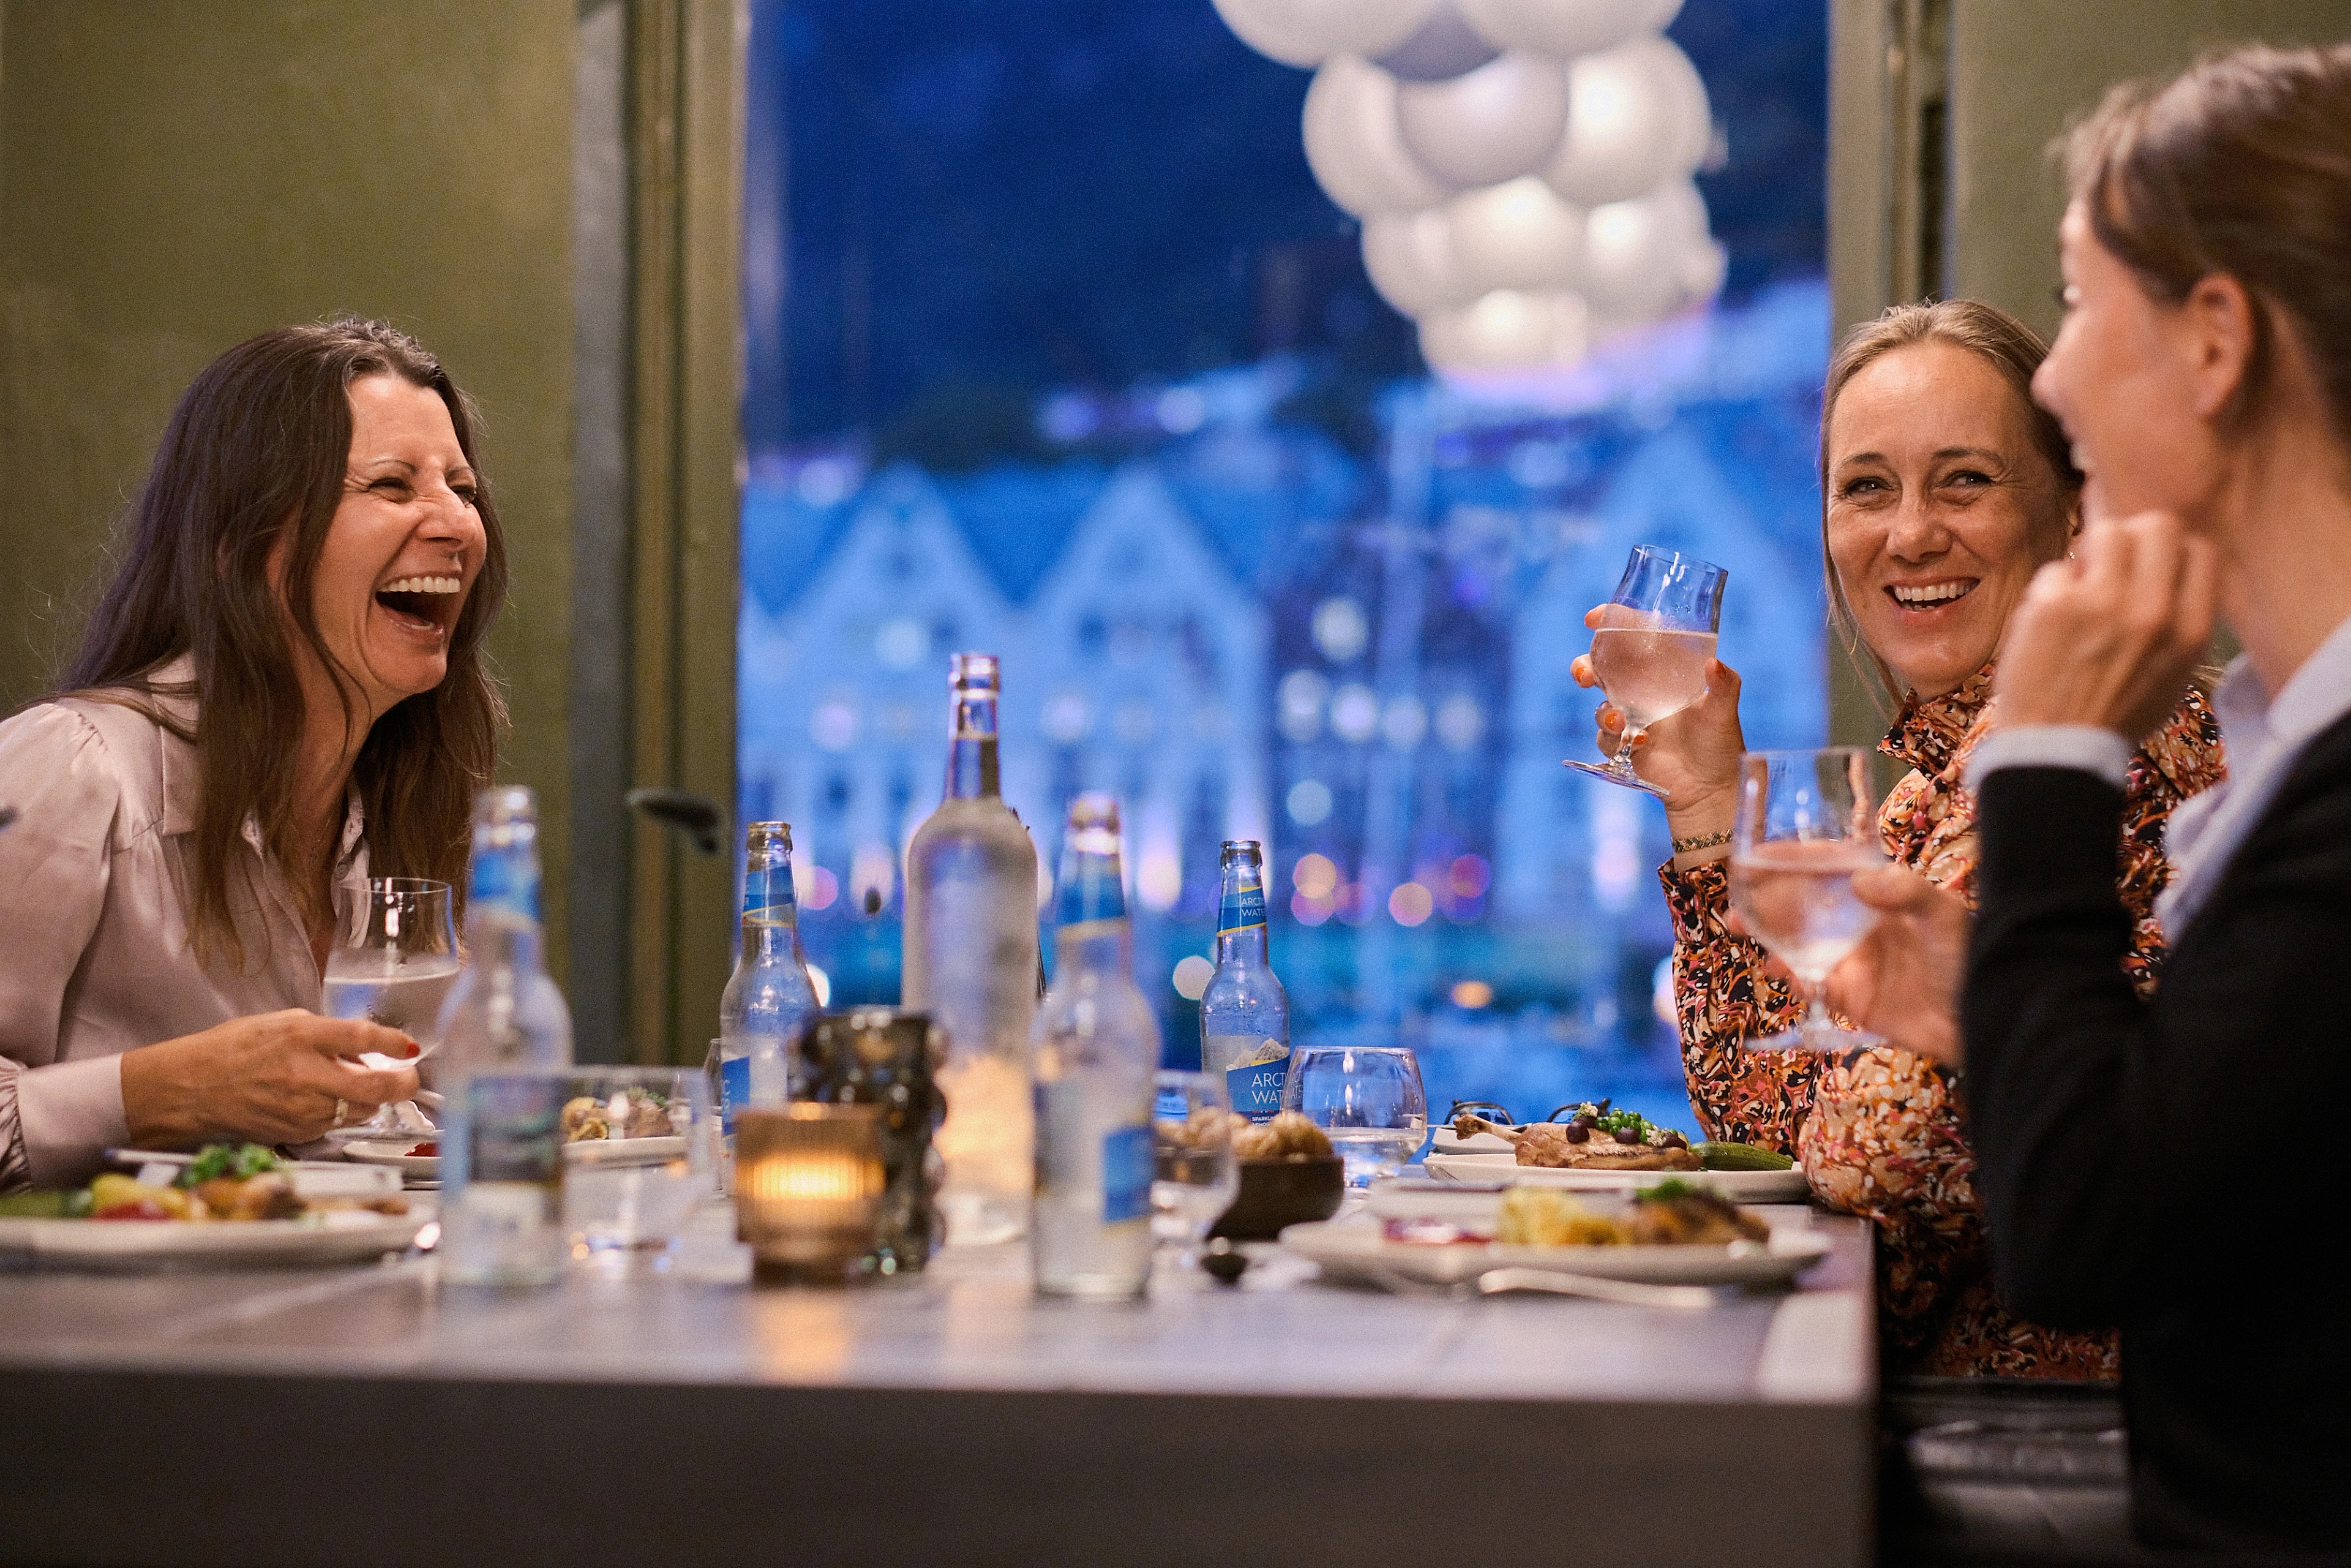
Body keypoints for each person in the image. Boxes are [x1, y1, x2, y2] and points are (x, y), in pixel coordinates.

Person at [1833, 43, 2351, 1551]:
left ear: (2214, 344)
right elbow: (2201, 1172)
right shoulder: (2288, 752)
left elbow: (2082, 1241)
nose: (2052, 382)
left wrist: (2048, 764)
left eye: (2075, 301)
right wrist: (1982, 1005)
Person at [1571, 299, 2224, 1377]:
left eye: (1965, 478)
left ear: (2072, 509)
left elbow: (1870, 1157)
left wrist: (1846, 1102)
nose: (1910, 533)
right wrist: (1702, 803)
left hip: (2082, 1439)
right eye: (1866, 487)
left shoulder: (2100, 751)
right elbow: (1764, 1117)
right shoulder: (1932, 780)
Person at [0, 319, 508, 1191]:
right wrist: (154, 1093)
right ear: (246, 547)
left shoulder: (390, 814)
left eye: (462, 487)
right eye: (392, 483)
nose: (457, 522)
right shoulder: (73, 769)